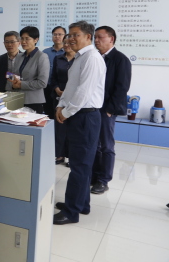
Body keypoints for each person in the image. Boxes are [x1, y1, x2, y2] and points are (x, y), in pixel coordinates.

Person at [53, 21, 106, 225]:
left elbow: (84, 92)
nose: (71, 38)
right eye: (70, 35)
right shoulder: (79, 57)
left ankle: (71, 211)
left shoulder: (92, 58)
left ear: (88, 37)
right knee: (79, 163)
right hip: (77, 114)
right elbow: (71, 87)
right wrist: (61, 105)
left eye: (76, 35)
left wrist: (67, 112)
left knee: (80, 166)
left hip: (85, 116)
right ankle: (82, 204)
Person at [91, 26, 131, 195]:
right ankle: (94, 176)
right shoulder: (95, 57)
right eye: (95, 37)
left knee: (106, 145)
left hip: (107, 109)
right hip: (93, 107)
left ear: (111, 39)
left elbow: (122, 87)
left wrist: (110, 109)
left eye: (100, 37)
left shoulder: (120, 59)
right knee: (94, 144)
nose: (96, 40)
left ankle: (103, 180)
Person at [8, 26, 49, 114]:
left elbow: (42, 83)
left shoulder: (42, 57)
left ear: (36, 40)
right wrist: (13, 82)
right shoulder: (19, 56)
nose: (23, 42)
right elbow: (14, 75)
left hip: (33, 102)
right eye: (22, 38)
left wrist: (21, 84)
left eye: (27, 39)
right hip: (18, 100)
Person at [50, 36, 76, 165]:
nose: (66, 45)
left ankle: (72, 157)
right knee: (60, 127)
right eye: (64, 43)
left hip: (74, 99)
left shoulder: (79, 59)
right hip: (59, 97)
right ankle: (59, 155)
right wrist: (56, 89)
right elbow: (53, 77)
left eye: (69, 43)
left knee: (73, 129)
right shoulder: (58, 58)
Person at [43, 26, 67, 118]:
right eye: (55, 34)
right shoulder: (45, 52)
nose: (57, 36)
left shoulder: (68, 52)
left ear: (65, 36)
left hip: (61, 88)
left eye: (60, 34)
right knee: (48, 112)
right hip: (47, 87)